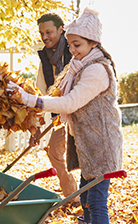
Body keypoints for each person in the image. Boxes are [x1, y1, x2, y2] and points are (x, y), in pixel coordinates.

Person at [7, 7, 123, 224]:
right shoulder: (79, 67)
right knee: (86, 197)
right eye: (70, 45)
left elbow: (70, 103)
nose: (72, 50)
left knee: (97, 202)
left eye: (77, 45)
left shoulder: (97, 70)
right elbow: (52, 94)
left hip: (101, 144)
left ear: (94, 44)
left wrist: (29, 99)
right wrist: (32, 116)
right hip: (86, 143)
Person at [31, 12, 79, 206]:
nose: (44, 37)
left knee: (86, 156)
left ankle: (92, 201)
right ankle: (73, 197)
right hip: (61, 117)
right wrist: (35, 127)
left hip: (81, 113)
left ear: (61, 29)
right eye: (41, 33)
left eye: (49, 31)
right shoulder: (44, 59)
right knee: (54, 152)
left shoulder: (76, 49)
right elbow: (41, 94)